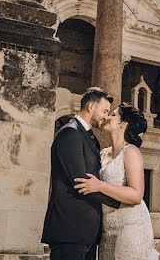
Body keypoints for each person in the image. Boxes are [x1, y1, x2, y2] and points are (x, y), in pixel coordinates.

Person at [42, 87, 121, 260]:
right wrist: (118, 202)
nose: (106, 116)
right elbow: (82, 182)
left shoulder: (91, 138)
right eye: (105, 111)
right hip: (69, 230)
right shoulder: (70, 133)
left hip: (86, 232)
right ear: (91, 107)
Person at [74, 102, 160, 260]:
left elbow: (136, 195)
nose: (107, 117)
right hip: (108, 228)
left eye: (112, 114)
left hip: (131, 226)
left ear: (123, 124)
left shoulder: (131, 152)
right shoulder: (103, 153)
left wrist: (99, 185)